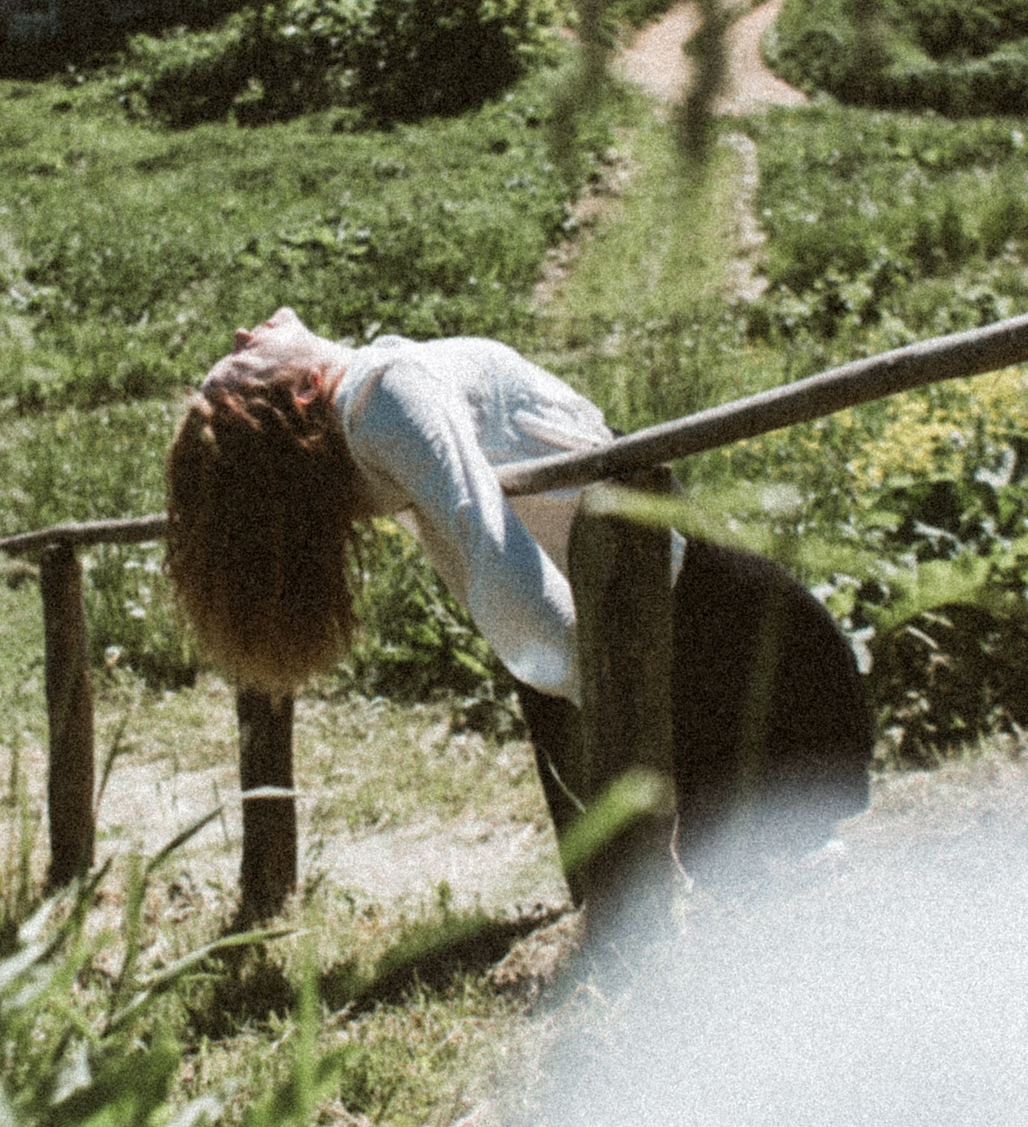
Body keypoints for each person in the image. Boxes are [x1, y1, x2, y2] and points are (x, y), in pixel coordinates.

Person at [163, 308, 872, 868]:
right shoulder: (379, 396)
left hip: (579, 586)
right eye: (240, 360)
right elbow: (486, 536)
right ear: (302, 387)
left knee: (757, 722)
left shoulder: (368, 402)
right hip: (614, 573)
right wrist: (609, 685)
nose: (244, 331)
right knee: (784, 676)